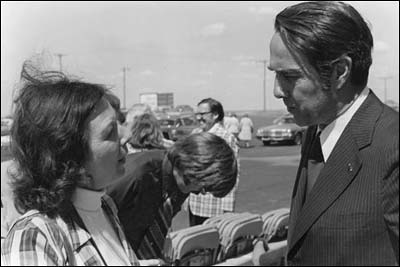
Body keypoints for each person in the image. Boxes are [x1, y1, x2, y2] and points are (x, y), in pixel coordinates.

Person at [253, 1, 399, 265]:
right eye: (275, 75)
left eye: (289, 76)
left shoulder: (392, 147)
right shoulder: (315, 131)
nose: (277, 90)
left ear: (340, 72)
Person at [1, 65, 141, 266]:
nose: (127, 135)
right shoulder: (35, 238)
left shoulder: (105, 206)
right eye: (110, 132)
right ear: (71, 160)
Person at [107, 132, 238, 260]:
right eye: (204, 187)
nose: (200, 193)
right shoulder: (136, 175)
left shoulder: (181, 184)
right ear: (195, 166)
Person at [188, 98, 239, 226]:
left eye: (202, 114)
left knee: (213, 244)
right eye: (197, 114)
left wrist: (228, 207)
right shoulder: (196, 134)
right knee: (195, 243)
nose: (199, 118)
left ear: (215, 115)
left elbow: (232, 174)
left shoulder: (226, 138)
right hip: (195, 204)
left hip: (215, 207)